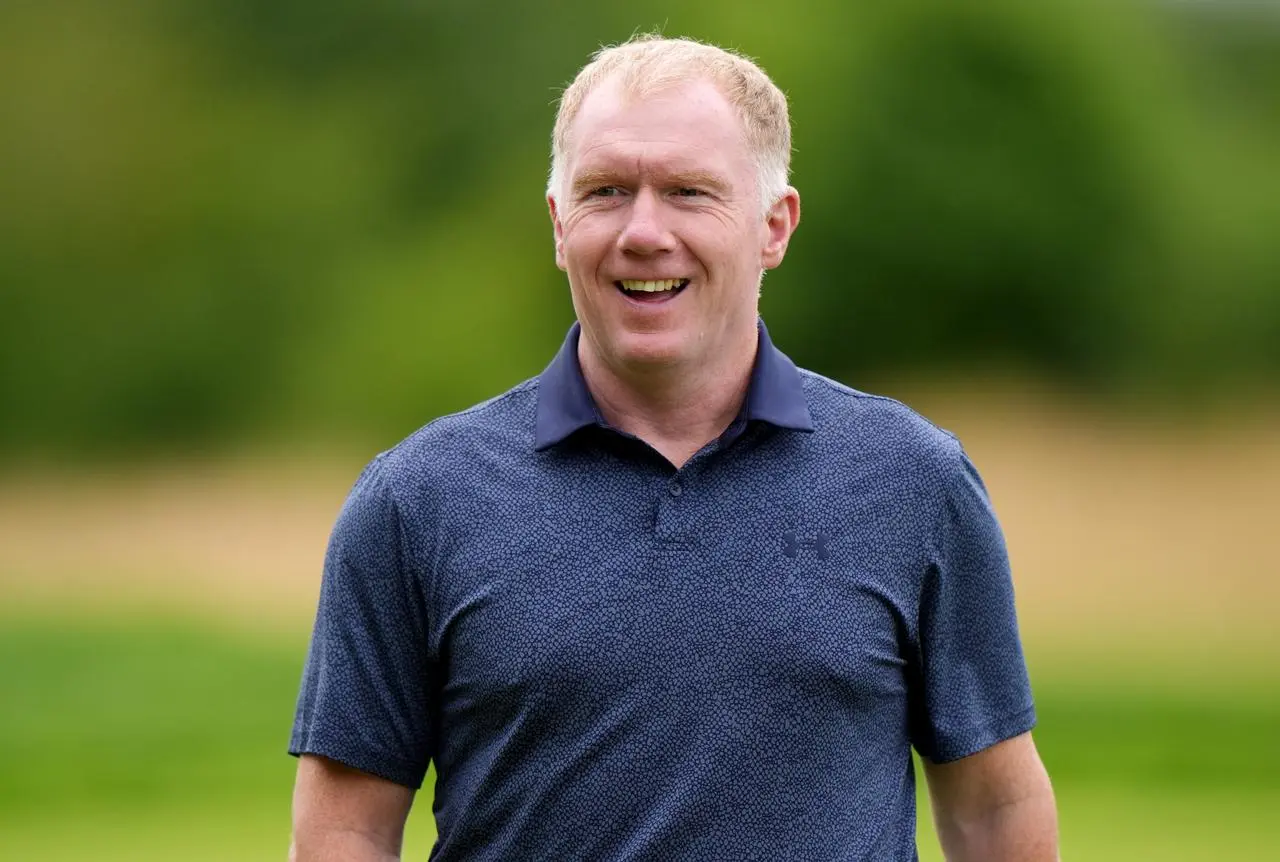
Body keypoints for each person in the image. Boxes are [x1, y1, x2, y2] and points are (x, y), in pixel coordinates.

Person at [288, 34, 1059, 862]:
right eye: (606, 192)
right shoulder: (415, 501)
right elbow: (348, 827)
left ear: (774, 226)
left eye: (690, 192)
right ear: (558, 225)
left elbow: (993, 806)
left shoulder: (914, 481)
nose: (643, 232)